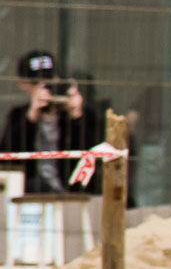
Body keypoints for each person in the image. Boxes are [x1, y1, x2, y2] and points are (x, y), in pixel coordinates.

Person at [0, 50, 103, 194]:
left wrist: (77, 117)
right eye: (37, 83)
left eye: (50, 80)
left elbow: (94, 156)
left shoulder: (84, 115)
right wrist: (31, 117)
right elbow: (8, 160)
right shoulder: (18, 115)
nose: (46, 87)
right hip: (31, 194)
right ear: (23, 84)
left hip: (74, 193)